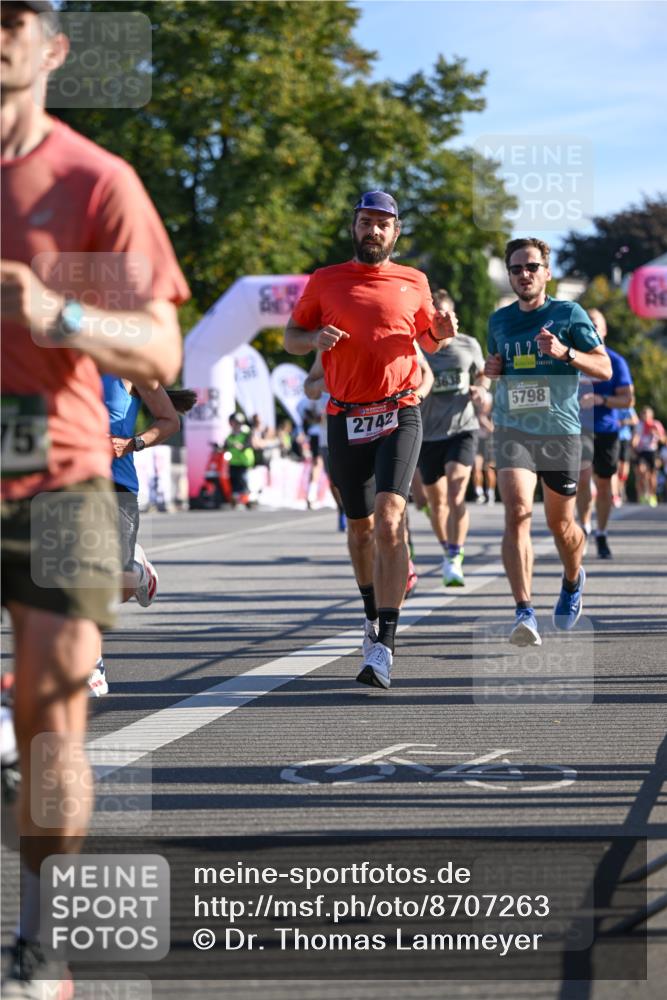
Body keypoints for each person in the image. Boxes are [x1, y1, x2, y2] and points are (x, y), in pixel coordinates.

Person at [1, 3, 188, 995]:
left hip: (64, 466)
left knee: (54, 705)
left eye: (15, 15)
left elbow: (163, 350)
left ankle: (39, 941)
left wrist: (56, 310)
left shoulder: (93, 180)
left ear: (54, 48)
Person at [285, 190, 457, 688]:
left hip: (400, 411)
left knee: (389, 519)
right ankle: (369, 613)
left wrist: (442, 329)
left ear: (396, 232)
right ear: (354, 226)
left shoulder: (414, 281)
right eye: (366, 221)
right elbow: (291, 337)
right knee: (359, 529)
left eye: (383, 223)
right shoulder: (325, 280)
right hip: (345, 417)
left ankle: (385, 642)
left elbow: (427, 338)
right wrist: (312, 340)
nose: (374, 231)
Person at [485, 238, 611, 647]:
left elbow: (604, 367)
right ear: (510, 275)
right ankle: (524, 611)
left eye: (532, 267)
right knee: (518, 513)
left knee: (561, 526)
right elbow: (500, 370)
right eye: (517, 268)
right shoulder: (499, 321)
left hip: (559, 431)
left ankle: (573, 579)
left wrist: (565, 352)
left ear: (547, 272)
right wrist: (494, 370)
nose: (525, 274)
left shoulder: (568, 313)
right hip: (512, 429)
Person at [88, 381, 196, 697]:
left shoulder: (128, 366)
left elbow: (169, 421)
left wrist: (131, 443)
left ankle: (137, 569)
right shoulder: (55, 362)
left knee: (115, 586)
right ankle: (90, 661)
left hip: (115, 485)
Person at [417, 288, 490, 586]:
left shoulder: (467, 344)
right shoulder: (419, 347)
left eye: (447, 314)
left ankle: (454, 556)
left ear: (455, 317)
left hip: (462, 427)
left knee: (456, 491)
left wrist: (480, 388)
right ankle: (448, 548)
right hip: (428, 432)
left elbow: (483, 373)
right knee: (437, 504)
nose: (442, 319)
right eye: (436, 315)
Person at [576, 309, 634, 559]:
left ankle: (601, 532)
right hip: (579, 428)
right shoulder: (573, 359)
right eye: (587, 325)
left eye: (596, 325)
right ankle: (585, 528)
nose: (592, 329)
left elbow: (628, 399)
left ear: (605, 330)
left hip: (607, 430)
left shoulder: (615, 361)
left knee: (603, 483)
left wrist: (601, 399)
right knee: (582, 477)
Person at [632, 406, 666, 506]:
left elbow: (664, 440)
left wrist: (656, 434)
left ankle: (652, 495)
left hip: (652, 451)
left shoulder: (656, 424)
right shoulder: (639, 425)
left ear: (651, 415)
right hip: (641, 451)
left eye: (647, 415)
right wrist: (634, 443)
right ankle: (642, 495)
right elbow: (635, 438)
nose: (645, 417)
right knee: (641, 472)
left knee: (652, 475)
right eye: (644, 414)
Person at [224, 412, 256, 507]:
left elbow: (249, 444)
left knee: (243, 480)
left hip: (244, 461)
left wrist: (242, 446)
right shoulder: (231, 435)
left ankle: (247, 499)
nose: (233, 425)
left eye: (235, 422)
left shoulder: (246, 432)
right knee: (234, 480)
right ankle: (235, 499)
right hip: (233, 461)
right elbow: (225, 445)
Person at [615, 404, 638, 504]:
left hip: (625, 439)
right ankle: (615, 493)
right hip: (613, 438)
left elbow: (635, 420)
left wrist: (623, 422)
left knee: (623, 468)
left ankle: (621, 485)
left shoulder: (627, 406)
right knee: (614, 466)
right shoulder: (611, 405)